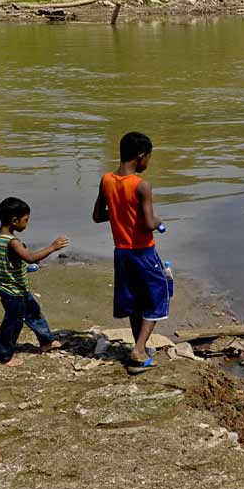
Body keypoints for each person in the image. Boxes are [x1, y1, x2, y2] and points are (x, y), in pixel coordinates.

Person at [92, 131, 171, 374]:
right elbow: (147, 224)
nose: (148, 162)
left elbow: (98, 216)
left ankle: (141, 345)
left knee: (136, 301)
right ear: (140, 156)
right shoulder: (141, 185)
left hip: (122, 253)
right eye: (148, 157)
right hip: (143, 252)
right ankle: (138, 350)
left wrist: (119, 213)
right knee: (160, 295)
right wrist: (158, 220)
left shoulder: (106, 180)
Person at [0, 197, 70, 367]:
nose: (27, 224)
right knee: (13, 322)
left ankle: (46, 342)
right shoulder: (13, 242)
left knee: (34, 312)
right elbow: (29, 258)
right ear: (15, 220)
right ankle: (2, 356)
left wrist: (15, 262)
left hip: (13, 287)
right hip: (13, 291)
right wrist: (53, 247)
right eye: (25, 220)